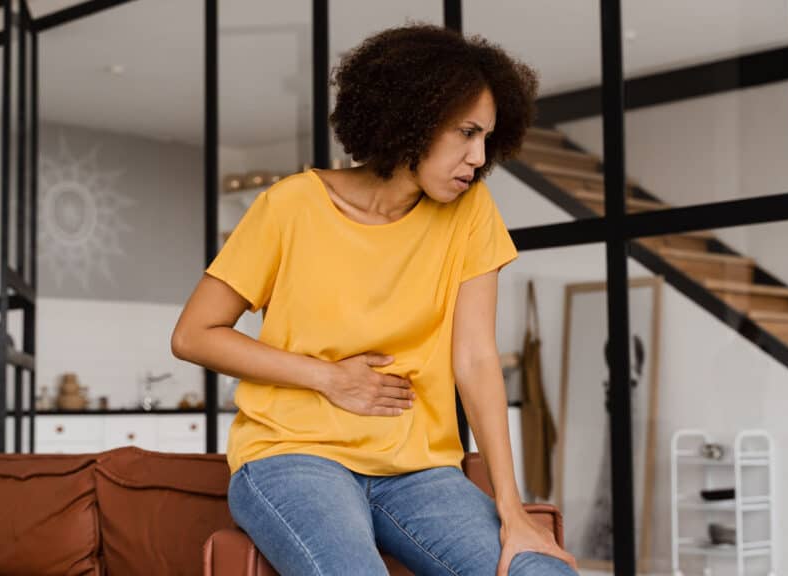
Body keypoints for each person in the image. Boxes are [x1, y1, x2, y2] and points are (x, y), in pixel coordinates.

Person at [171, 24, 578, 576]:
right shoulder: (291, 207)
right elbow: (194, 334)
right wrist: (329, 378)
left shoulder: (470, 213)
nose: (478, 157)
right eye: (465, 133)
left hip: (418, 471)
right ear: (413, 118)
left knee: (540, 572)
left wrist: (513, 510)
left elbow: (477, 359)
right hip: (293, 456)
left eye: (487, 138)